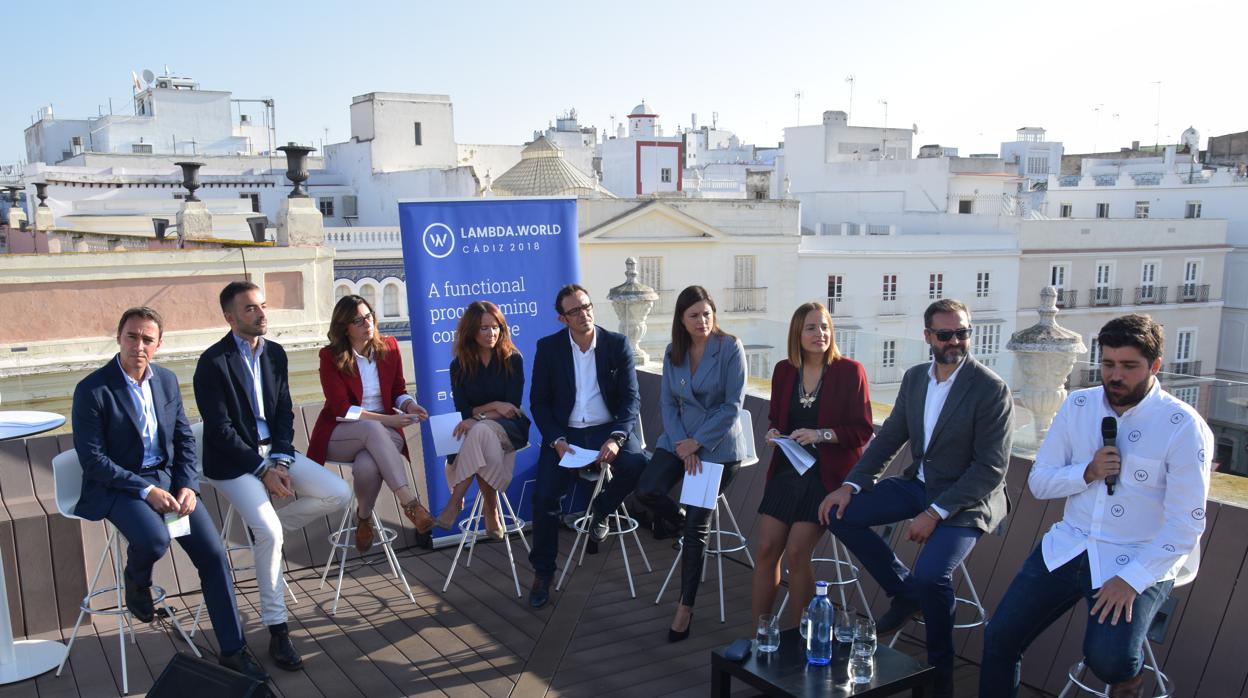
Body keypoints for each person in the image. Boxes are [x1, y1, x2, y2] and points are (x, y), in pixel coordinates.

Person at [981, 315, 1212, 697]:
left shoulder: (1183, 426)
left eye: (1129, 366)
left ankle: (1128, 678)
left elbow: (1187, 524)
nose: (1115, 376)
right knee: (1000, 637)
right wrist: (1086, 472)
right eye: (1108, 364)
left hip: (1136, 555)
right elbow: (1039, 482)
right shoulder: (1078, 405)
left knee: (1108, 661)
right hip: (1070, 545)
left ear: (1155, 367)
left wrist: (1132, 580)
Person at [819, 298, 1013, 698]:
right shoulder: (915, 379)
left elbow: (990, 469)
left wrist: (935, 512)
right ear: (928, 337)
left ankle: (940, 672)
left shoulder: (990, 389)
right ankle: (903, 592)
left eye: (963, 332)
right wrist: (850, 485)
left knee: (931, 574)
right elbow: (890, 437)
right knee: (840, 513)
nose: (956, 341)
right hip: (921, 484)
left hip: (966, 500)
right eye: (946, 334)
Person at [71, 307, 268, 682]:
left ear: (159, 344)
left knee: (213, 555)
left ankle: (233, 649)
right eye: (132, 336)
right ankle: (137, 579)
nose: (139, 346)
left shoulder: (166, 380)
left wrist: (187, 486)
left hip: (167, 480)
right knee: (155, 538)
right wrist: (146, 490)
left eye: (148, 339)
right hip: (119, 485)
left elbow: (182, 440)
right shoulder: (92, 390)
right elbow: (94, 461)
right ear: (118, 337)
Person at [194, 281, 352, 672]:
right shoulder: (212, 363)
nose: (261, 314)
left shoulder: (275, 354)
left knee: (338, 494)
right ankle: (278, 628)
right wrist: (263, 469)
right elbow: (220, 429)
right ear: (229, 317)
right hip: (233, 463)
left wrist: (280, 461)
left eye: (263, 306)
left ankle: (266, 527)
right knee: (271, 535)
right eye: (250, 309)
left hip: (274, 452)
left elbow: (283, 412)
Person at [635, 286, 748, 642]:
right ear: (681, 320)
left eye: (707, 313)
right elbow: (668, 404)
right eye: (694, 315)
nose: (702, 321)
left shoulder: (730, 347)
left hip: (716, 445)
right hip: (680, 439)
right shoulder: (674, 352)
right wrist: (684, 445)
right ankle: (678, 520)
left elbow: (732, 406)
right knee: (647, 490)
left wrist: (698, 443)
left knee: (699, 527)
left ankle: (685, 607)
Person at [751, 302, 874, 629]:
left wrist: (822, 435)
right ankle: (760, 634)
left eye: (824, 327)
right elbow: (778, 417)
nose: (820, 333)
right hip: (789, 469)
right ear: (797, 334)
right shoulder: (784, 370)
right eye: (811, 327)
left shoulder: (850, 371)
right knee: (765, 549)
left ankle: (798, 639)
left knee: (795, 553)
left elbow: (863, 431)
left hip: (827, 478)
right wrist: (775, 432)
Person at [527, 284, 648, 609]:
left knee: (638, 465)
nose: (584, 315)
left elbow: (631, 399)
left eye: (586, 306)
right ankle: (543, 573)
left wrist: (617, 437)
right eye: (575, 311)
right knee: (545, 498)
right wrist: (557, 440)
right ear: (562, 318)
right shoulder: (549, 348)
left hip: (607, 429)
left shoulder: (616, 344)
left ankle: (602, 510)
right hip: (566, 435)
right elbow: (538, 403)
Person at [307, 294, 434, 553]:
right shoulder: (329, 356)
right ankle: (411, 504)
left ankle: (363, 519)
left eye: (368, 316)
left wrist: (410, 405)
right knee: (372, 428)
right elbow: (342, 409)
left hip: (385, 433)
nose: (367, 323)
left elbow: (399, 388)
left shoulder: (389, 347)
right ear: (345, 327)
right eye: (358, 320)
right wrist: (388, 419)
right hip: (341, 432)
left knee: (367, 465)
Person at [437, 300, 527, 536]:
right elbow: (464, 410)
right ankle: (491, 508)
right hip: (481, 432)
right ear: (471, 332)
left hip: (511, 428)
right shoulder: (459, 365)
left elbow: (512, 407)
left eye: (495, 326)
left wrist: (480, 415)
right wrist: (495, 405)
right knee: (480, 436)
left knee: (479, 431)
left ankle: (455, 500)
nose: (491, 333)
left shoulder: (513, 359)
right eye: (484, 328)